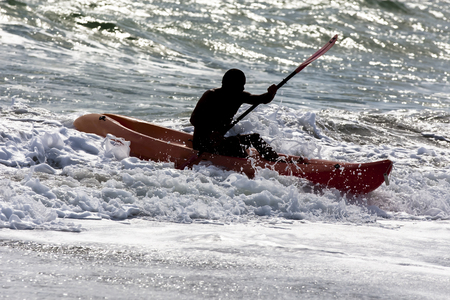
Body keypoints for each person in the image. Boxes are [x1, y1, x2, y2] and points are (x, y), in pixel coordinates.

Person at [190, 68, 281, 161]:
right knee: (234, 142)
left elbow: (261, 99)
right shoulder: (211, 95)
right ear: (228, 84)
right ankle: (247, 165)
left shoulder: (239, 96)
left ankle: (276, 161)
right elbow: (194, 119)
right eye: (240, 85)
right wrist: (211, 133)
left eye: (243, 85)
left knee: (255, 138)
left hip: (221, 142)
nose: (243, 88)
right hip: (203, 144)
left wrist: (270, 93)